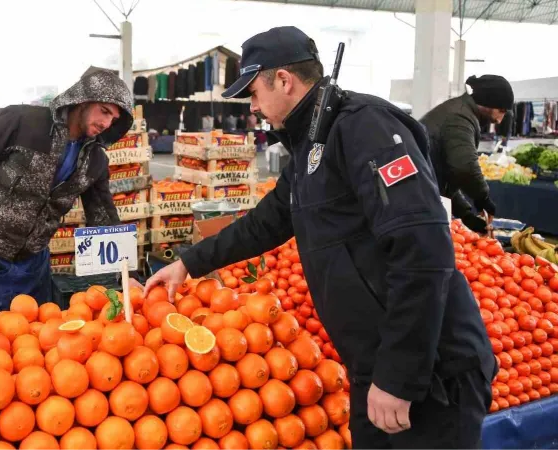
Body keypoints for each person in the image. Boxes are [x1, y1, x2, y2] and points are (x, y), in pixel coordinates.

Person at [145, 26, 495, 450]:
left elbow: (422, 253)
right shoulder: (313, 142)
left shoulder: (365, 128)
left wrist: (398, 377)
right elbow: (266, 222)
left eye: (254, 93)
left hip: (432, 370)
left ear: (284, 80)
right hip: (374, 364)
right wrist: (187, 263)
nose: (252, 108)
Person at [0, 69, 133, 314]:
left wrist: (125, 274)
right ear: (82, 100)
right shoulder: (22, 121)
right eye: (104, 111)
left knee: (35, 344)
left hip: (35, 266)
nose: (107, 123)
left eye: (114, 119)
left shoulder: (95, 161)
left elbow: (104, 218)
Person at [420, 75, 513, 233]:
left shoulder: (460, 110)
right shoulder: (460, 118)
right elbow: (464, 167)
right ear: (488, 102)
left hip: (423, 191)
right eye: (501, 111)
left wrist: (466, 214)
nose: (499, 120)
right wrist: (483, 198)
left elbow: (446, 176)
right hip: (418, 199)